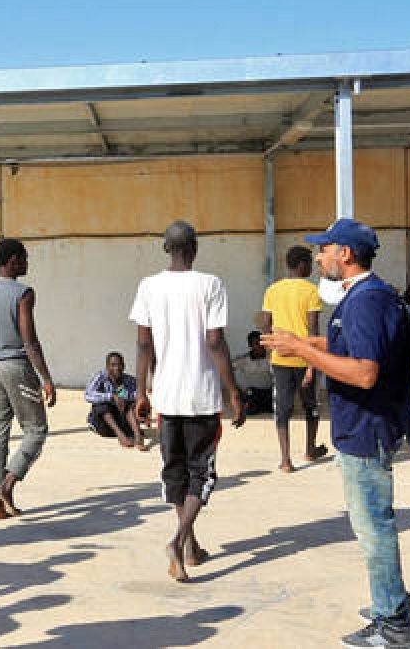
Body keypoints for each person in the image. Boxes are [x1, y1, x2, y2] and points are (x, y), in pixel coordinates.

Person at [262, 218, 410, 649]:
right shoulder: (363, 297)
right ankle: (389, 601)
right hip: (361, 428)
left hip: (367, 430)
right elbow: (348, 346)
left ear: (344, 255)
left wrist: (300, 350)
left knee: (374, 529)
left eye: (324, 249)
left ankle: (395, 622)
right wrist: (303, 341)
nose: (318, 257)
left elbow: (365, 372)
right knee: (370, 525)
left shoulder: (367, 301)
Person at [131, 221, 246, 584]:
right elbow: (215, 343)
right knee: (202, 474)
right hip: (200, 397)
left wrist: (140, 391)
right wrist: (233, 390)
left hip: (166, 396)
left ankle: (190, 549)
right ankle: (178, 541)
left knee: (177, 472)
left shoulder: (148, 286)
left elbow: (144, 344)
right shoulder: (210, 285)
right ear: (194, 247)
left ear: (166, 248)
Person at [0, 238, 57, 519]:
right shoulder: (23, 293)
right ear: (13, 260)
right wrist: (46, 377)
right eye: (25, 258)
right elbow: (29, 341)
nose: (27, 263)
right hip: (15, 366)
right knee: (36, 430)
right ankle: (7, 484)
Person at [256, 245, 327, 472]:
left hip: (281, 359)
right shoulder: (311, 291)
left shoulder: (272, 290)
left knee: (282, 409)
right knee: (311, 406)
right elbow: (313, 329)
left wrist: (271, 351)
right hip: (305, 357)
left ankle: (285, 460)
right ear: (302, 264)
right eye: (309, 262)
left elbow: (265, 324)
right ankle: (310, 449)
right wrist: (312, 365)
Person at [85, 350, 145, 448]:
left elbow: (138, 396)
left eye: (119, 365)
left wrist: (123, 396)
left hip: (124, 424)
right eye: (113, 365)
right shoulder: (100, 377)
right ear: (107, 367)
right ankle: (120, 436)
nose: (117, 368)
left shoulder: (130, 380)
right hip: (104, 426)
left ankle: (138, 435)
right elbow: (88, 395)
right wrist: (111, 396)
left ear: (124, 366)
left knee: (130, 404)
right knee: (101, 405)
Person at [232, 333, 275, 417]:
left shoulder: (271, 359)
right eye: (256, 344)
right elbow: (227, 370)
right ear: (250, 345)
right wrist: (235, 389)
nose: (259, 346)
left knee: (277, 406)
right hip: (251, 393)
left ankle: (262, 406)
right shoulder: (242, 360)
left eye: (261, 343)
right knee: (250, 400)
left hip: (268, 392)